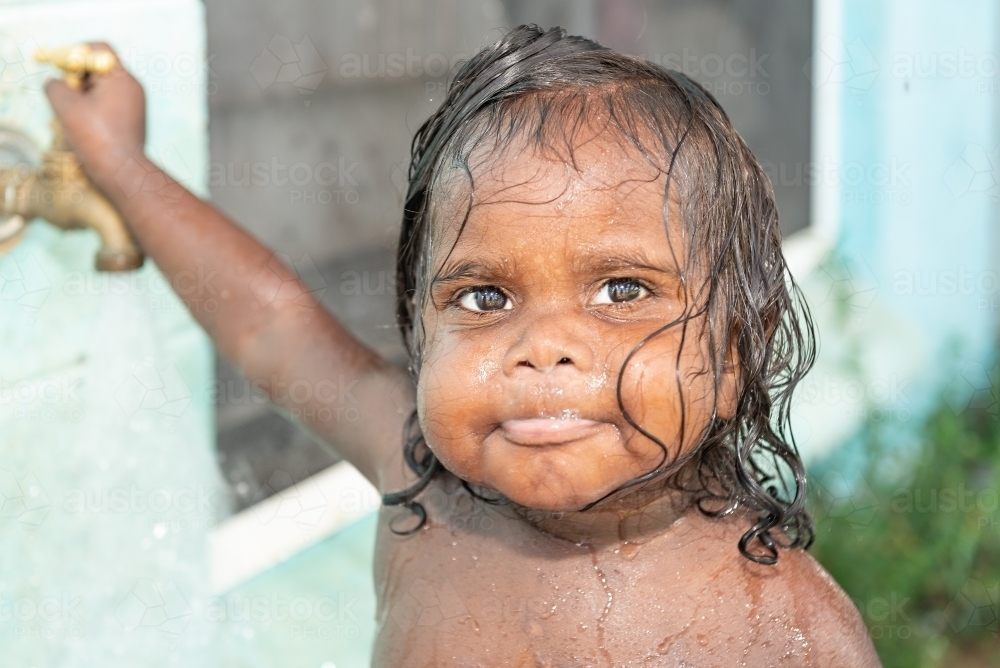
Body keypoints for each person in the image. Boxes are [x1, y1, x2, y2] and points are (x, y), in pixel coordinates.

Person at [46, 25, 881, 667]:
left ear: (740, 346)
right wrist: (120, 162)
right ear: (420, 327)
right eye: (485, 297)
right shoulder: (423, 480)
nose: (543, 346)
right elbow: (269, 328)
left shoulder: (778, 630)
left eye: (622, 291)